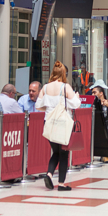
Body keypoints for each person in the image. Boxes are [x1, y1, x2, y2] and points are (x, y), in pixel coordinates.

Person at [36, 61, 80, 192]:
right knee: (64, 153)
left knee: (55, 151)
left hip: (49, 122)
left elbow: (38, 106)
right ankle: (61, 184)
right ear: (64, 73)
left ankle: (49, 174)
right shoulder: (66, 87)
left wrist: (50, 107)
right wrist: (76, 97)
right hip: (63, 123)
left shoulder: (45, 87)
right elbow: (76, 104)